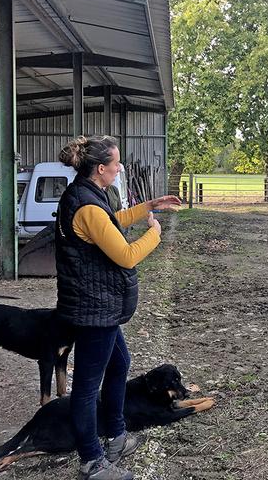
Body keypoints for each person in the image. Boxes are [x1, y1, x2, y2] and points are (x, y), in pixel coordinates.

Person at [56, 135, 181, 480]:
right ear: (100, 169)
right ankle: (92, 461)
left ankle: (116, 435)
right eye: (116, 162)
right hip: (92, 307)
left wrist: (150, 205)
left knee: (120, 364)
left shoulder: (90, 194)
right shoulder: (87, 205)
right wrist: (155, 233)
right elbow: (125, 256)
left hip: (100, 304)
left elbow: (113, 221)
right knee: (85, 386)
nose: (120, 167)